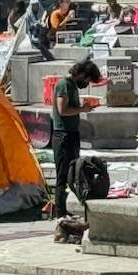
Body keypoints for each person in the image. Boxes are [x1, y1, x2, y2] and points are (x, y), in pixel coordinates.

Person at [51, 60, 101, 218]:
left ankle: (71, 209)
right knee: (62, 176)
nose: (86, 83)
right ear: (82, 74)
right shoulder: (64, 85)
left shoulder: (72, 86)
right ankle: (60, 214)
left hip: (72, 133)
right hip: (63, 135)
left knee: (75, 173)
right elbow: (62, 110)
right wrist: (82, 109)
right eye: (87, 80)